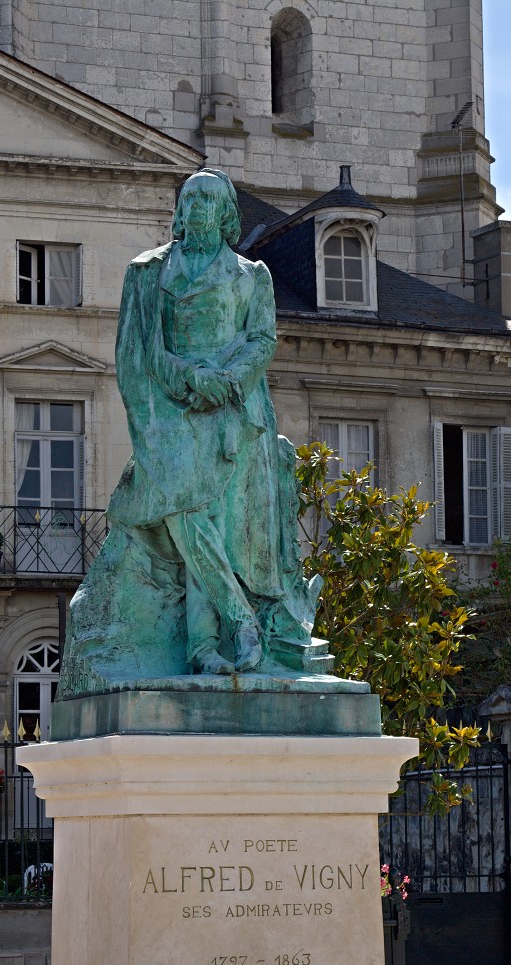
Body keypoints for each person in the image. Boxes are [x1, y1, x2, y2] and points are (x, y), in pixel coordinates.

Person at [109, 169, 290, 674]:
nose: (199, 207)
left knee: (209, 522)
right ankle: (238, 622)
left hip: (232, 411)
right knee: (186, 509)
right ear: (179, 211)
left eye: (210, 199)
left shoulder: (253, 275)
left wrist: (228, 381)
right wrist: (190, 378)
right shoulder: (148, 272)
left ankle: (203, 649)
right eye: (190, 198)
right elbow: (138, 348)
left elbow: (262, 340)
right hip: (170, 410)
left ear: (228, 214)